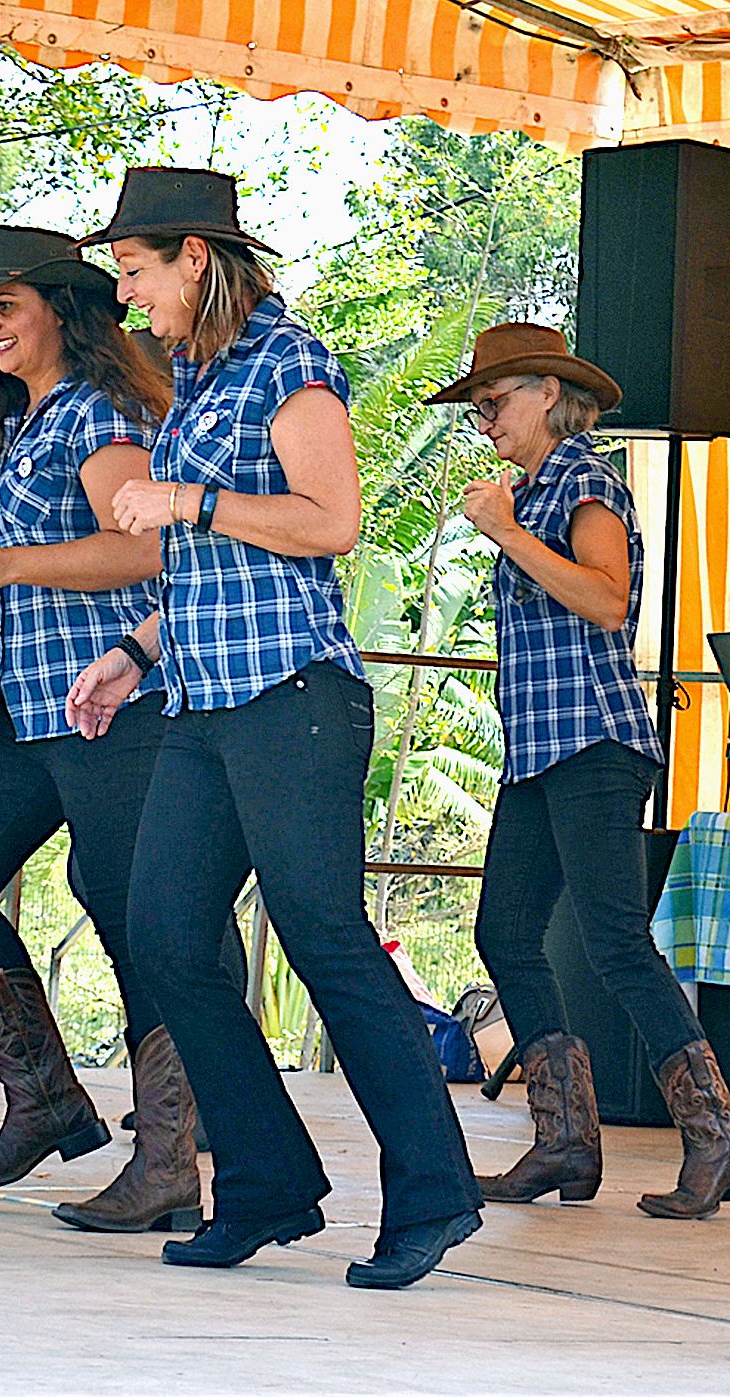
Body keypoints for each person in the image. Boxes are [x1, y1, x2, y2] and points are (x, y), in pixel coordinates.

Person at [66, 166, 482, 1290]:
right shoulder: (197, 376)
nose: (128, 298)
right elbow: (211, 563)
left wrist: (188, 500)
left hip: (295, 697)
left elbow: (330, 521)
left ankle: (437, 1194)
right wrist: (134, 650)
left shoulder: (287, 362)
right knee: (161, 933)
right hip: (204, 699)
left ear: (195, 258)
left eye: (139, 273)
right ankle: (266, 1182)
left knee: (325, 938)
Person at [0, 227, 225, 1232]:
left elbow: (140, 557)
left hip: (109, 706)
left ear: (63, 313)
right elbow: (44, 559)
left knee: (137, 921)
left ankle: (170, 1159)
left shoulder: (100, 415)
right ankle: (46, 1096)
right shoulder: (25, 422)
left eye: (8, 304)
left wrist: (1, 567)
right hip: (29, 707)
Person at [429, 322, 730, 1218]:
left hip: (594, 742)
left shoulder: (584, 478)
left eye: (494, 401)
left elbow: (606, 601)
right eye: (477, 407)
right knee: (503, 929)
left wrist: (504, 531)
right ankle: (564, 1140)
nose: (484, 419)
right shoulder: (533, 488)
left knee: (614, 938)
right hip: (538, 747)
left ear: (546, 394)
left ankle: (714, 1138)